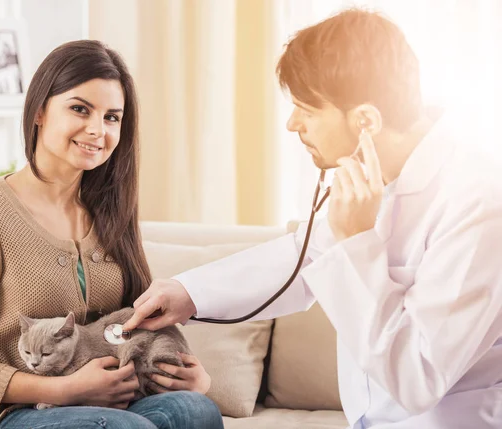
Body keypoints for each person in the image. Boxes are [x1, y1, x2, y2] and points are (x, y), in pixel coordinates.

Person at [123, 8, 502, 429]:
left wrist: (357, 244)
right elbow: (302, 258)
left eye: (306, 108)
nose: (291, 123)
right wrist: (188, 292)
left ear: (365, 121)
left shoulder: (478, 202)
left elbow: (417, 377)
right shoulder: (378, 180)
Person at [0, 40, 223, 429]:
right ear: (39, 112)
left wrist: (187, 375)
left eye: (112, 117)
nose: (97, 130)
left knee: (195, 409)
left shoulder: (111, 214)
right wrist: (65, 391)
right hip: (22, 413)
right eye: (80, 109)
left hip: (114, 405)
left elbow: (140, 321)